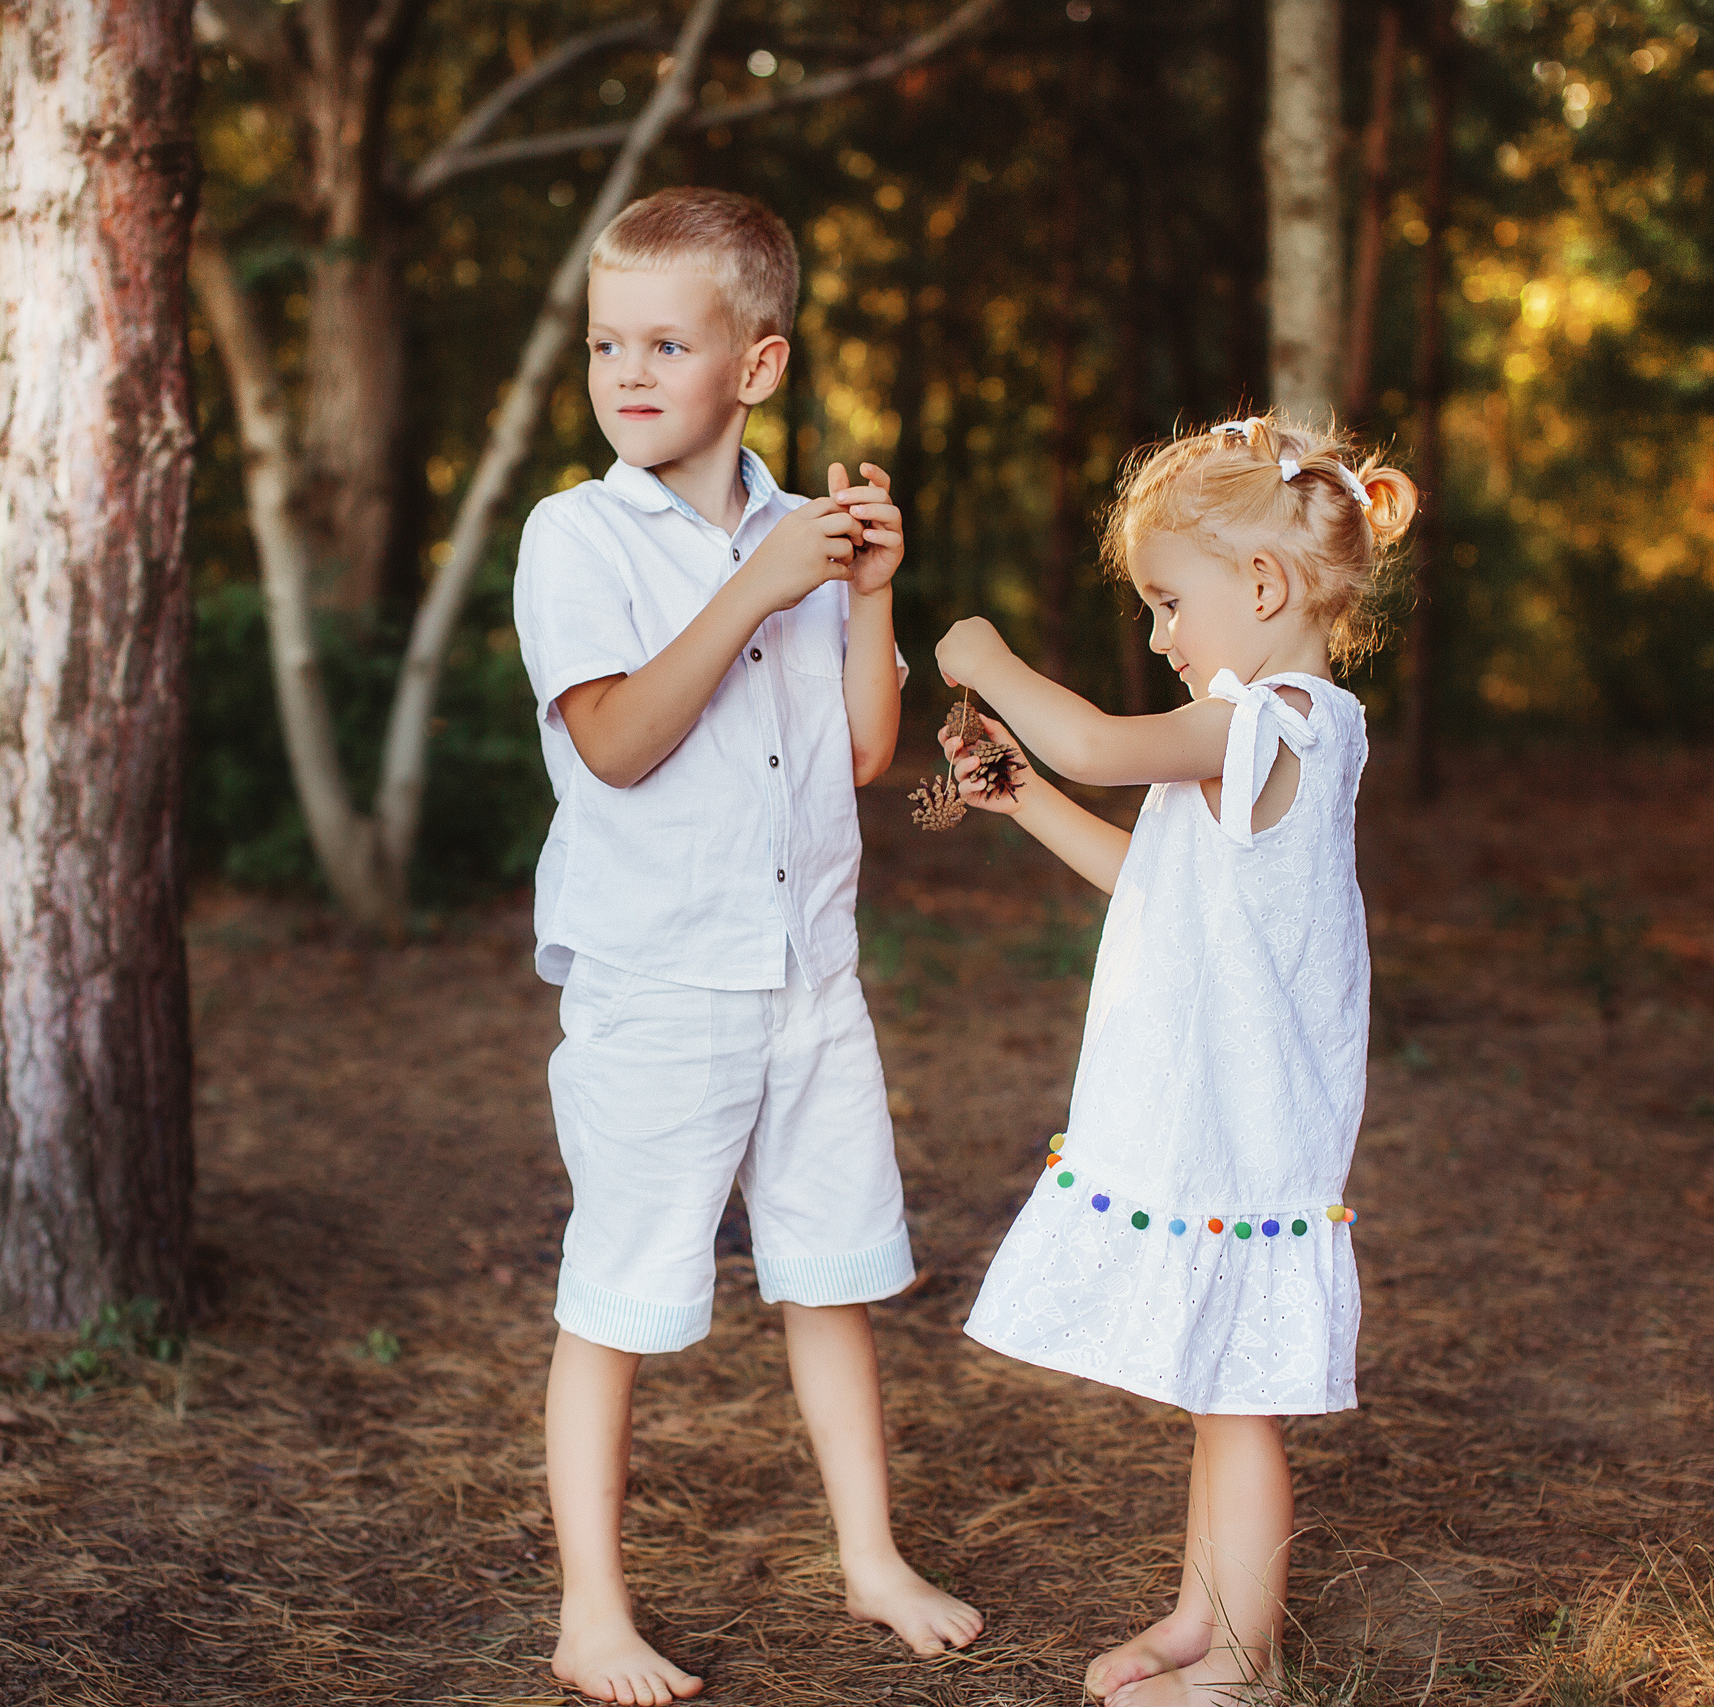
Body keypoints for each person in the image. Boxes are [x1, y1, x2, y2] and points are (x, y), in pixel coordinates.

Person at [512, 186, 983, 1707]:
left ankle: (869, 1557)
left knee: (828, 1276)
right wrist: (751, 592)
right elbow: (620, 747)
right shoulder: (574, 536)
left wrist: (868, 591)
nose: (627, 373)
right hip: (660, 985)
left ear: (757, 368)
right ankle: (593, 1610)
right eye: (604, 345)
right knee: (618, 1293)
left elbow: (861, 752)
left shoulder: (805, 533)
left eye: (665, 341)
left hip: (809, 981)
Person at [933, 414, 1416, 1706]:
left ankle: (1244, 1666)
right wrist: (1023, 797)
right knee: (1218, 1387)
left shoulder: (1287, 718)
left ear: (1261, 588)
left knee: (1241, 1397)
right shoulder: (1246, 731)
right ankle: (1203, 1618)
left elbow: (1091, 738)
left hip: (1251, 1117)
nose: (1158, 635)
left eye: (1166, 602)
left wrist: (983, 655)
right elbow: (1150, 887)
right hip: (1214, 1100)